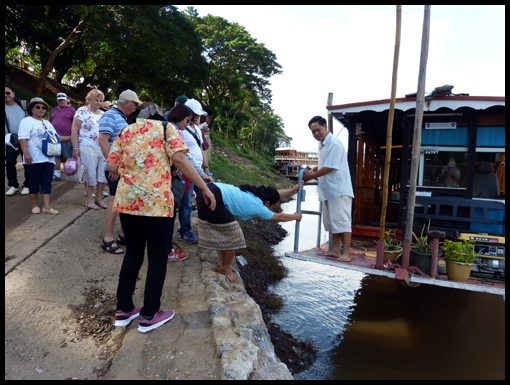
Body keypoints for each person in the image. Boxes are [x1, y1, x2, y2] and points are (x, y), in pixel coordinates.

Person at [106, 103, 216, 333]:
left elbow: (111, 165)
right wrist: (203, 188)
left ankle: (124, 310)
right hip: (156, 203)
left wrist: (134, 173)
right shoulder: (166, 129)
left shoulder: (126, 131)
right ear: (159, 117)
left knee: (133, 255)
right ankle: (149, 315)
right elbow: (180, 159)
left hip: (127, 201)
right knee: (157, 258)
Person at [196, 182, 302, 282]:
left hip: (207, 191)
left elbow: (274, 194)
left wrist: (292, 190)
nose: (271, 208)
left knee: (225, 230)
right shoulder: (258, 206)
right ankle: (225, 268)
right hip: (212, 197)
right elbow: (278, 216)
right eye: (272, 206)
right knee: (235, 236)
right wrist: (296, 216)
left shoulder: (254, 194)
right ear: (268, 203)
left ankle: (222, 261)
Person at [164, 104, 214, 261]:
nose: (189, 123)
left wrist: (201, 172)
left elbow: (188, 154)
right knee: (170, 211)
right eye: (187, 120)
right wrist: (202, 181)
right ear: (179, 117)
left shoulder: (177, 130)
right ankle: (165, 250)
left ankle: (164, 247)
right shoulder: (171, 130)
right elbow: (182, 157)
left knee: (172, 210)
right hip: (170, 177)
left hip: (172, 176)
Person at [302, 116, 354, 262]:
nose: (316, 134)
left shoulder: (334, 143)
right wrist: (313, 170)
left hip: (339, 190)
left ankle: (347, 253)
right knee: (332, 222)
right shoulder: (323, 144)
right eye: (313, 132)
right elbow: (324, 163)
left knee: (342, 222)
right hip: (328, 190)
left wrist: (310, 176)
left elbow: (330, 166)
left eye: (318, 130)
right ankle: (335, 249)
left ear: (325, 126)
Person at [98, 89, 141, 254]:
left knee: (123, 201)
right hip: (115, 168)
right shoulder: (110, 115)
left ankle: (123, 234)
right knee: (115, 201)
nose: (136, 107)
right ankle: (107, 239)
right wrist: (113, 166)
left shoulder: (123, 117)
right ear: (127, 103)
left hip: (123, 169)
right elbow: (103, 140)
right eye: (135, 104)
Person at [17, 97, 60, 215]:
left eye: (43, 108)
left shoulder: (47, 123)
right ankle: (35, 205)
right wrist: (26, 153)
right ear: (31, 108)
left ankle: (46, 206)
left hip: (49, 157)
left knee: (47, 181)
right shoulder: (26, 121)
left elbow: (56, 138)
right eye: (37, 107)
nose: (41, 109)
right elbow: (22, 138)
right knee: (34, 181)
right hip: (34, 157)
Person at [177, 98, 210, 244]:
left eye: (199, 114)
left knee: (206, 195)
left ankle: (206, 225)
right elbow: (183, 153)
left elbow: (200, 149)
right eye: (194, 113)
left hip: (199, 170)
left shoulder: (196, 128)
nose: (197, 116)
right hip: (187, 170)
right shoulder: (180, 129)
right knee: (187, 202)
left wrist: (205, 168)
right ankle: (185, 230)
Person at [71, 89, 108, 209]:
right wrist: (75, 147)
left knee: (102, 174)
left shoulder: (103, 114)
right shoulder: (82, 111)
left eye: (100, 101)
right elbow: (74, 131)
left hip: (101, 147)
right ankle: (89, 199)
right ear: (89, 100)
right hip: (87, 146)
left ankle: (99, 198)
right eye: (96, 100)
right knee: (90, 173)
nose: (98, 103)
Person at [5, 85, 30, 196]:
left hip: (26, 139)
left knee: (27, 162)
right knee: (9, 162)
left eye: (7, 93)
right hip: (10, 140)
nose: (6, 95)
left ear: (13, 93)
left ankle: (28, 185)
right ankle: (13, 185)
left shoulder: (24, 105)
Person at [49, 92, 76, 181]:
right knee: (55, 157)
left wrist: (74, 135)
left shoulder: (72, 110)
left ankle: (71, 174)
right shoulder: (53, 110)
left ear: (66, 100)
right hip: (54, 139)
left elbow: (76, 124)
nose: (61, 101)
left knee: (69, 157)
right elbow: (50, 122)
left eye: (63, 100)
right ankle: (57, 175)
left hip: (68, 138)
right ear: (57, 100)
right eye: (59, 99)